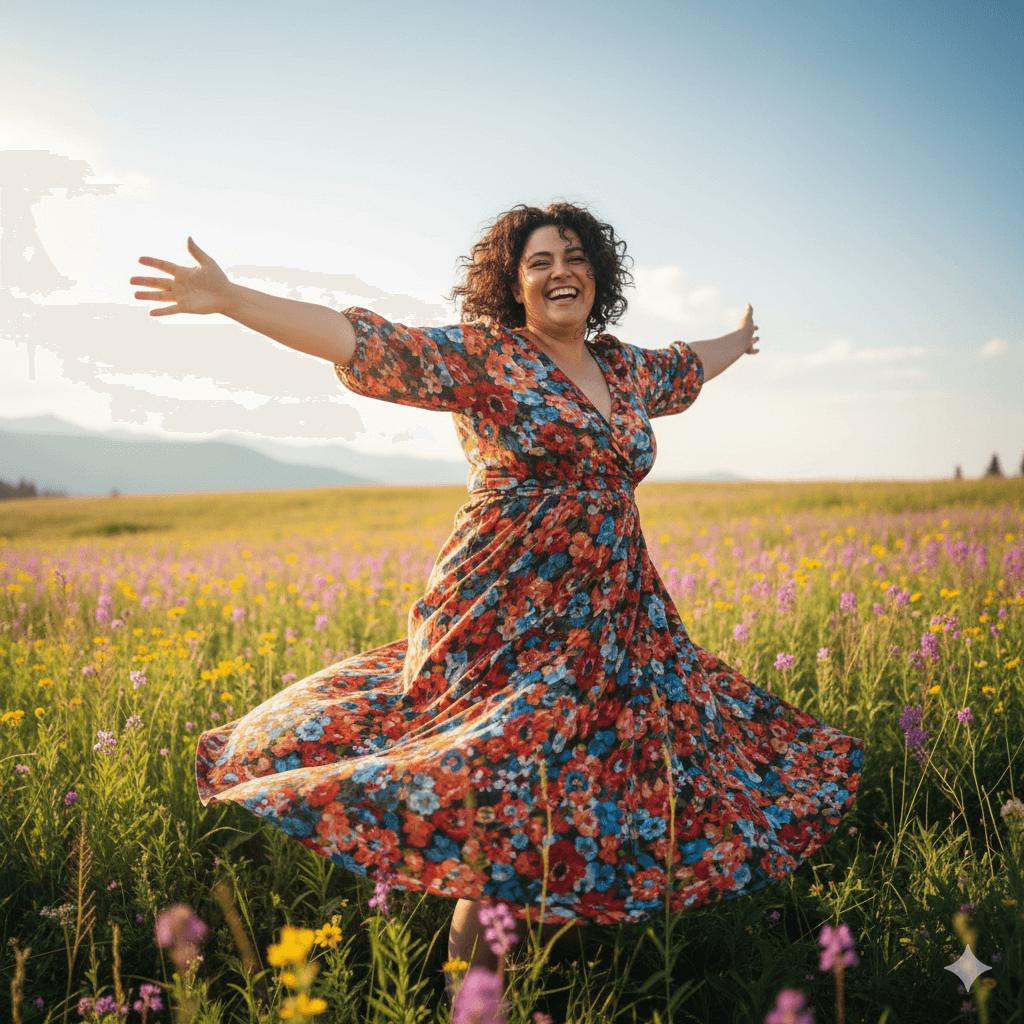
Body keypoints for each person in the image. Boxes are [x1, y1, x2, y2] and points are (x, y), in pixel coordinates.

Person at [131, 201, 864, 982]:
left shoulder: (624, 368)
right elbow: (367, 342)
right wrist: (237, 300)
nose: (560, 271)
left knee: (585, 785)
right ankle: (476, 999)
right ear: (515, 285)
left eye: (574, 256)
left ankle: (530, 962)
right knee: (502, 790)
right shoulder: (489, 357)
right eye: (540, 261)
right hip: (503, 611)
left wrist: (740, 343)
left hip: (613, 623)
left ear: (597, 275)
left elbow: (690, 364)